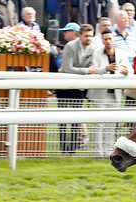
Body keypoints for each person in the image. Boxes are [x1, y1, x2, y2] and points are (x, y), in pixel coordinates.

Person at [59, 24, 95, 155]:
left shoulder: (93, 48)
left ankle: (72, 151)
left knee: (76, 119)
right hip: (64, 86)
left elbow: (93, 67)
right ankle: (63, 150)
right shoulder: (70, 46)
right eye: (86, 36)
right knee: (62, 120)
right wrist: (86, 71)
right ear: (79, 35)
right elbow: (68, 68)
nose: (88, 38)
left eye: (90, 36)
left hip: (79, 87)